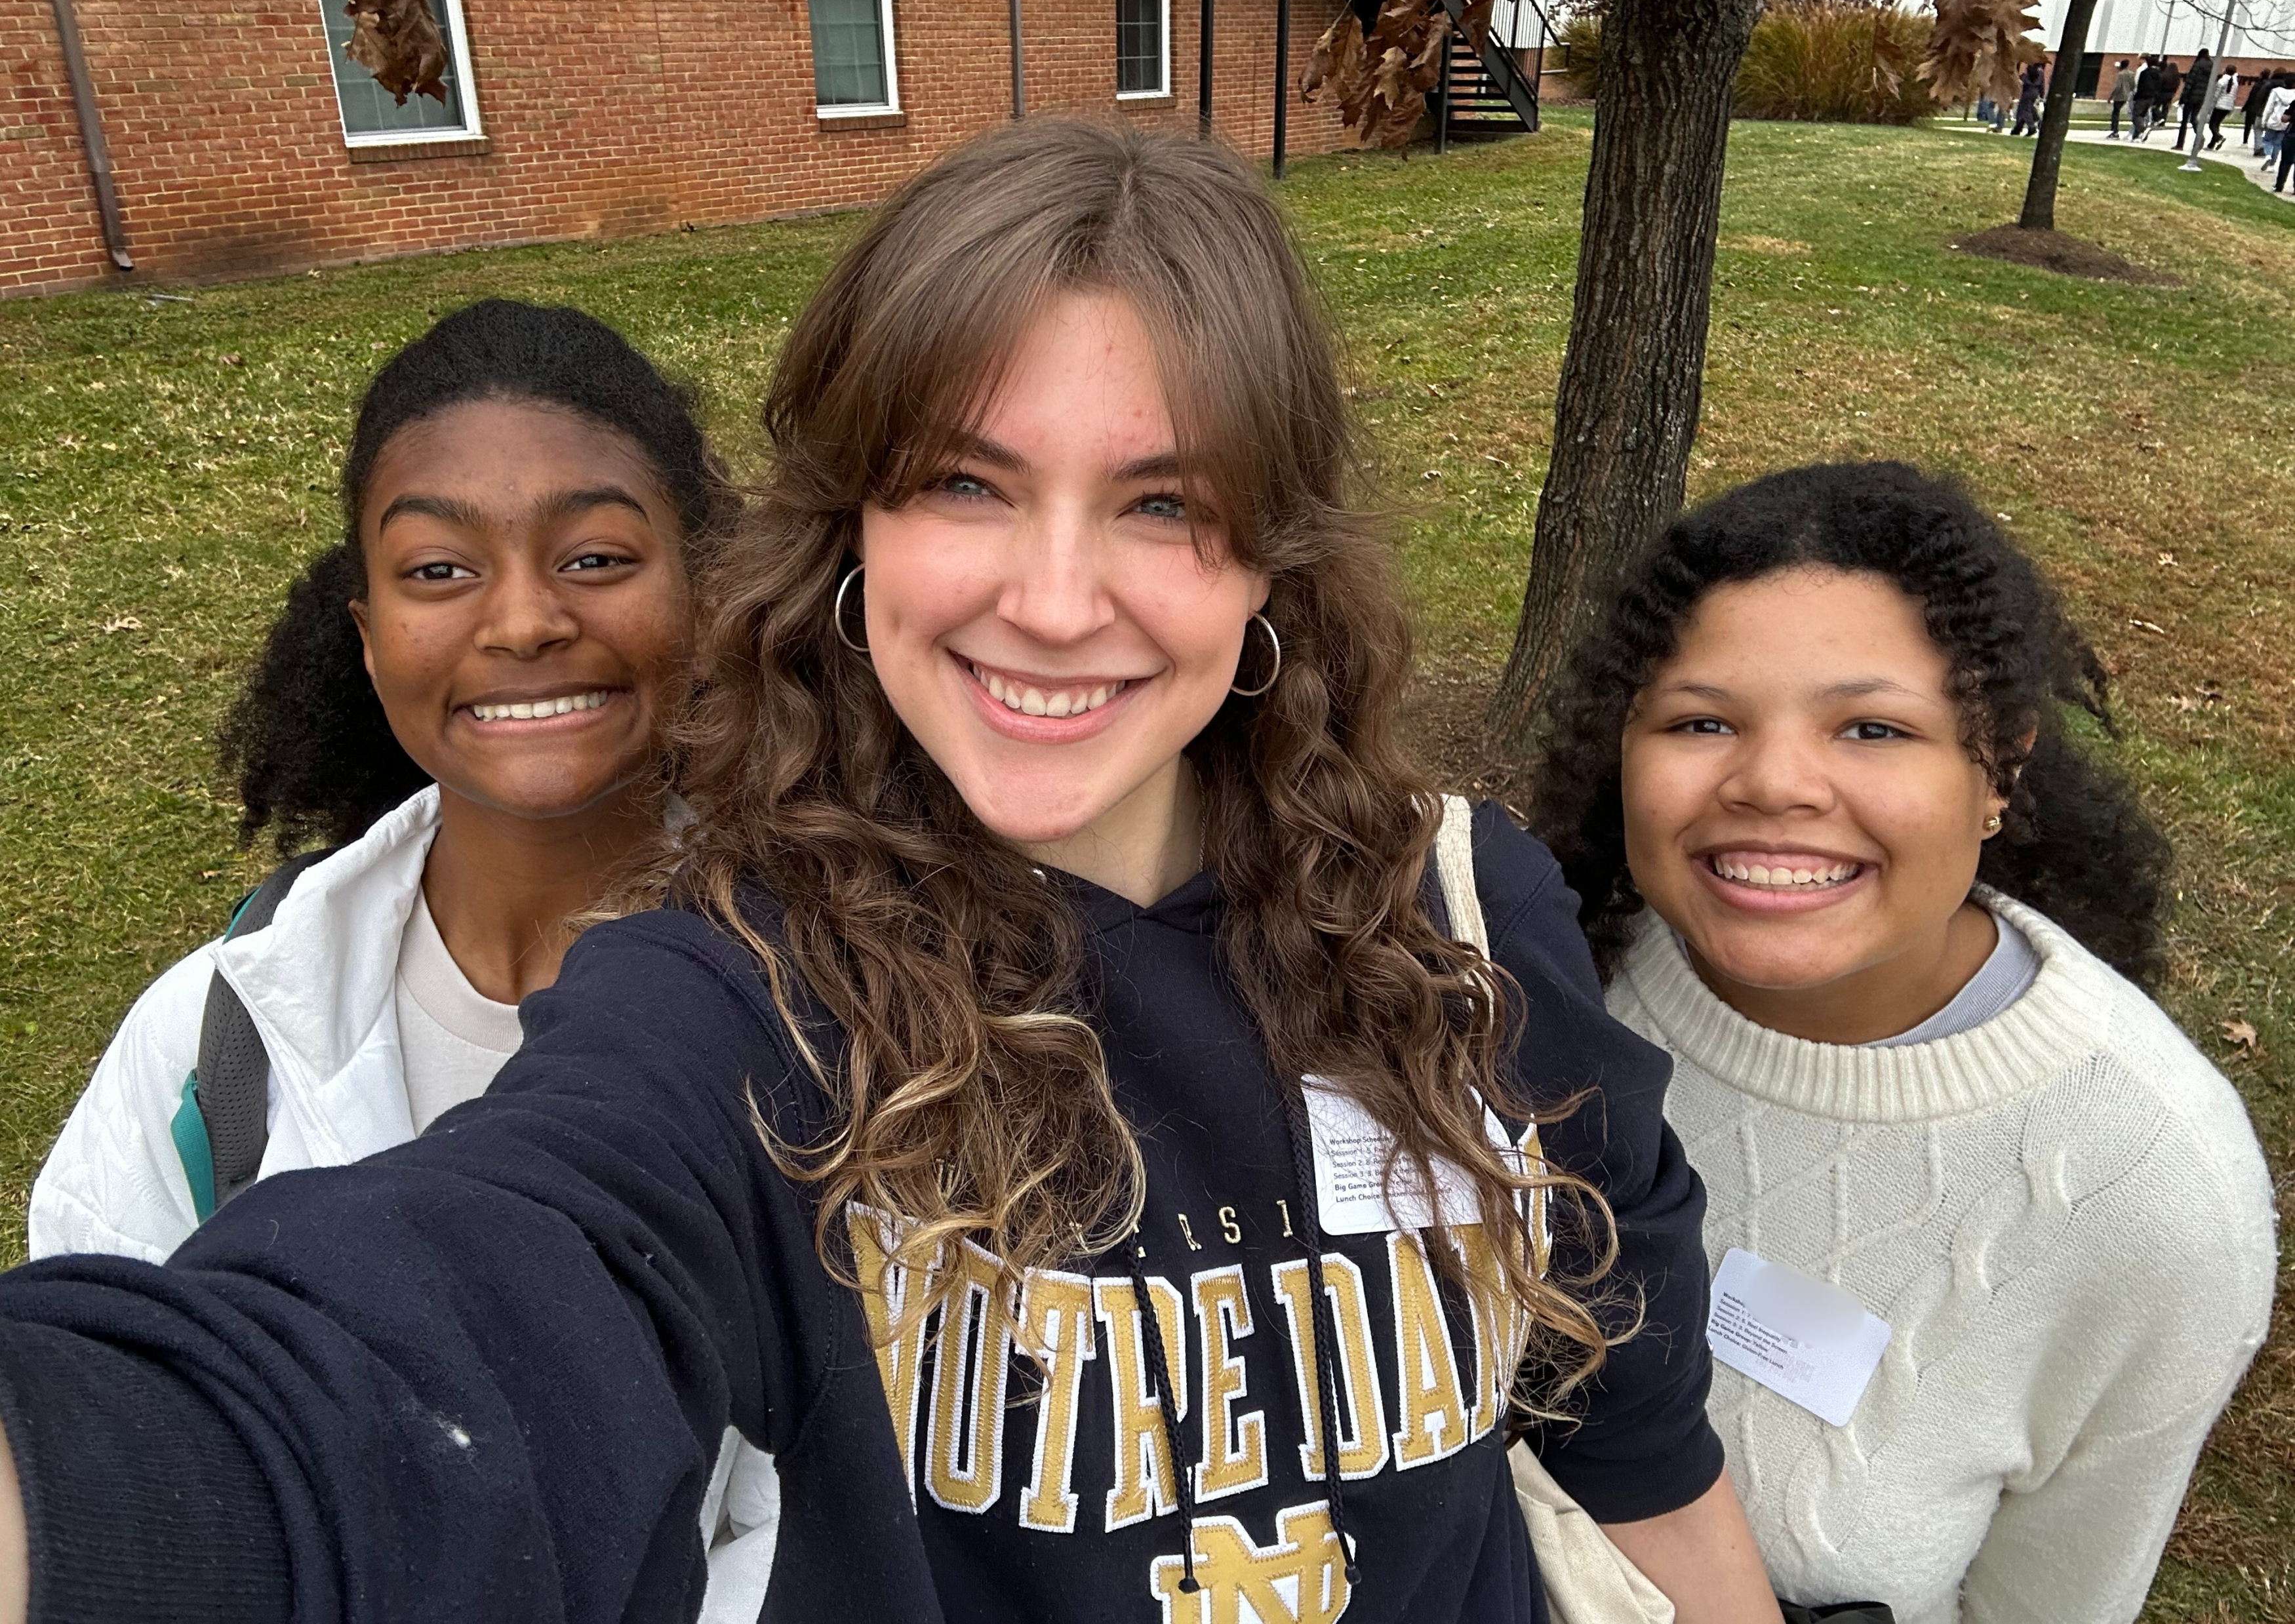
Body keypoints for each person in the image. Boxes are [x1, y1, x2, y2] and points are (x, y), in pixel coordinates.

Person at [0, 122, 1785, 1624]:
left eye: (1161, 504)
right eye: (965, 484)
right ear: (854, 527)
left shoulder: (1459, 915)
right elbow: (463, 1334)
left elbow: (1633, 1430)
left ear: (1272, 562)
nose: (1055, 598)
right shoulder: (735, 996)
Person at [21, 297, 786, 1620]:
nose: (525, 618)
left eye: (597, 554)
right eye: (440, 569)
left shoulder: (841, 1008)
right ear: (367, 627)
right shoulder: (218, 1051)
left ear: (704, 587)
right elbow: (122, 1437)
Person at [1530, 463, 2276, 1624]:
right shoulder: (1533, 985)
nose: (1775, 780)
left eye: (1872, 727)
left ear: (2000, 767)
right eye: (1701, 720)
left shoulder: (2153, 1188)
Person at [2174, 48, 2213, 151]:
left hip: (2191, 96)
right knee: (2193, 118)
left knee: (2184, 121)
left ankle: (2180, 144)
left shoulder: (2198, 65)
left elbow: (2190, 83)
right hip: (2201, 97)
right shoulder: (2212, 67)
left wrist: (2183, 98)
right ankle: (2200, 136)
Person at [2208, 62, 2239, 148]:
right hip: (2228, 106)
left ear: (2226, 71)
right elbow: (2234, 96)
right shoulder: (2235, 83)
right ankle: (2212, 144)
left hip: (2219, 105)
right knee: (2217, 124)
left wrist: (2212, 105)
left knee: (2212, 124)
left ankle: (2219, 137)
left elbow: (2216, 95)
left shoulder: (2222, 81)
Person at [2010, 61, 2044, 136]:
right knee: (2027, 109)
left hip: (2028, 91)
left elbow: (2026, 80)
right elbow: (2042, 84)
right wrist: (2042, 95)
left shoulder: (2030, 70)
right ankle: (2018, 128)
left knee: (2025, 110)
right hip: (2035, 92)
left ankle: (2031, 127)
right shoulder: (2041, 71)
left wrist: (2021, 77)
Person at [2131, 56, 2162, 139]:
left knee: (2136, 115)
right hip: (2152, 97)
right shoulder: (2159, 74)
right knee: (2143, 115)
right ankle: (2137, 136)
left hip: (2143, 96)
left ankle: (2142, 130)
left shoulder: (2145, 73)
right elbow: (2159, 87)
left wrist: (2136, 97)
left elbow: (2141, 86)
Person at [2108, 58, 2135, 138]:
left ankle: (2115, 131)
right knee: (2117, 112)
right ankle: (2115, 131)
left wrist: (2111, 97)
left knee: (2115, 114)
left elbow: (2118, 87)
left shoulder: (2120, 74)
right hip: (2126, 95)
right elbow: (2133, 85)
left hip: (2119, 96)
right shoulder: (2132, 74)